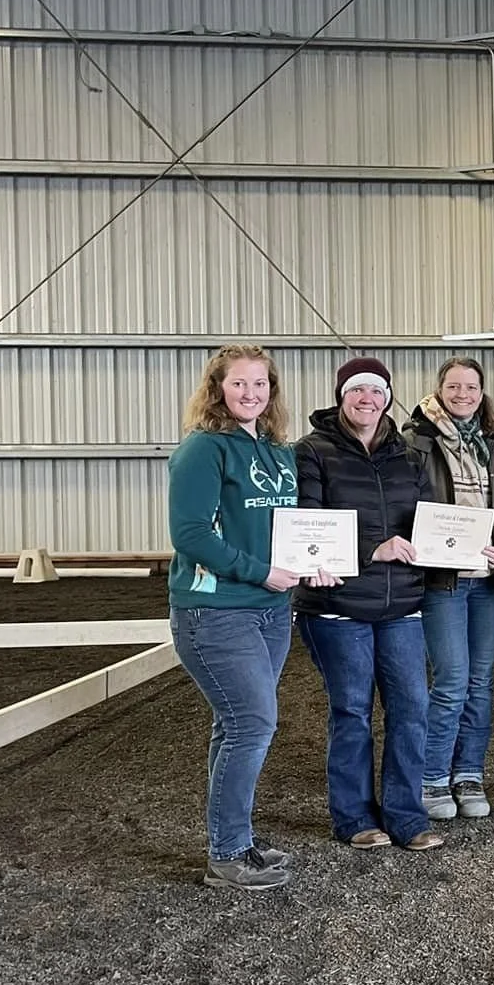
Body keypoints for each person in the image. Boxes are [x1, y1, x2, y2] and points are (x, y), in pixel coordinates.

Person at [167, 344, 330, 892]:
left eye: (260, 384)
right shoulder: (203, 449)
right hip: (215, 610)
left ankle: (233, 839)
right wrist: (260, 572)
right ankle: (227, 854)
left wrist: (315, 562)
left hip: (270, 611)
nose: (250, 393)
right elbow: (191, 534)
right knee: (253, 723)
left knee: (235, 725)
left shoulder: (277, 451)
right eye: (239, 383)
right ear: (218, 388)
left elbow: (290, 527)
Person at [294, 357, 442, 853]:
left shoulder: (409, 456)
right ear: (342, 397)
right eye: (357, 390)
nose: (367, 399)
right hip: (337, 606)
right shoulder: (312, 452)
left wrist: (466, 550)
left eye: (376, 391)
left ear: (387, 399)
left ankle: (406, 815)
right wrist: (371, 550)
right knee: (352, 711)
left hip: (402, 604)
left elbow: (427, 524)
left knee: (412, 708)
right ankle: (354, 817)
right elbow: (306, 522)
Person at [403, 357, 494, 824]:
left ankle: (469, 773)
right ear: (439, 389)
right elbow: (405, 504)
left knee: (481, 681)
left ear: (482, 392)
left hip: (487, 580)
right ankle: (432, 776)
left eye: (471, 387)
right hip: (442, 580)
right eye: (454, 386)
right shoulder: (416, 442)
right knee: (451, 679)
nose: (462, 394)